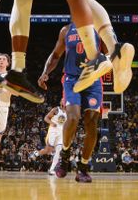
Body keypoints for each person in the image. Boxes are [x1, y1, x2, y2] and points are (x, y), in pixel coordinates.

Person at [38, 23, 105, 182]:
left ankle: (83, 167)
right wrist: (45, 72)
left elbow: (109, 55)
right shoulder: (66, 30)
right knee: (73, 117)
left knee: (91, 123)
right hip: (72, 79)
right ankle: (65, 156)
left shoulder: (99, 29)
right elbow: (55, 55)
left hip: (93, 79)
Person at [37, 103, 67, 175]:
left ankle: (51, 169)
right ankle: (36, 153)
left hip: (61, 133)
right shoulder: (56, 109)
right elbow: (46, 118)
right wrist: (51, 123)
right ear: (60, 102)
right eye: (62, 100)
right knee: (48, 150)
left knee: (59, 150)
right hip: (53, 131)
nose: (64, 101)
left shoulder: (68, 112)